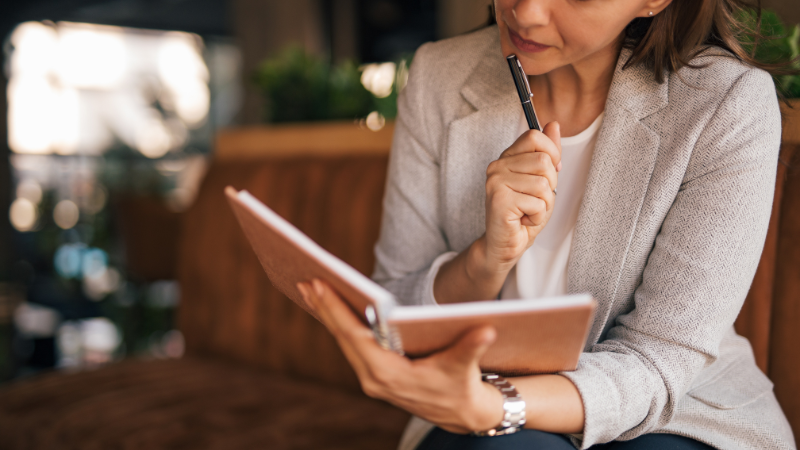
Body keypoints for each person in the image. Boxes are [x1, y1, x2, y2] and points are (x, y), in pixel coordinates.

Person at [296, 0, 798, 448]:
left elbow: (660, 359)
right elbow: (397, 309)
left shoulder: (726, 102)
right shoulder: (440, 78)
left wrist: (497, 405)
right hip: (479, 402)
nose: (527, 11)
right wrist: (484, 260)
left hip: (678, 409)